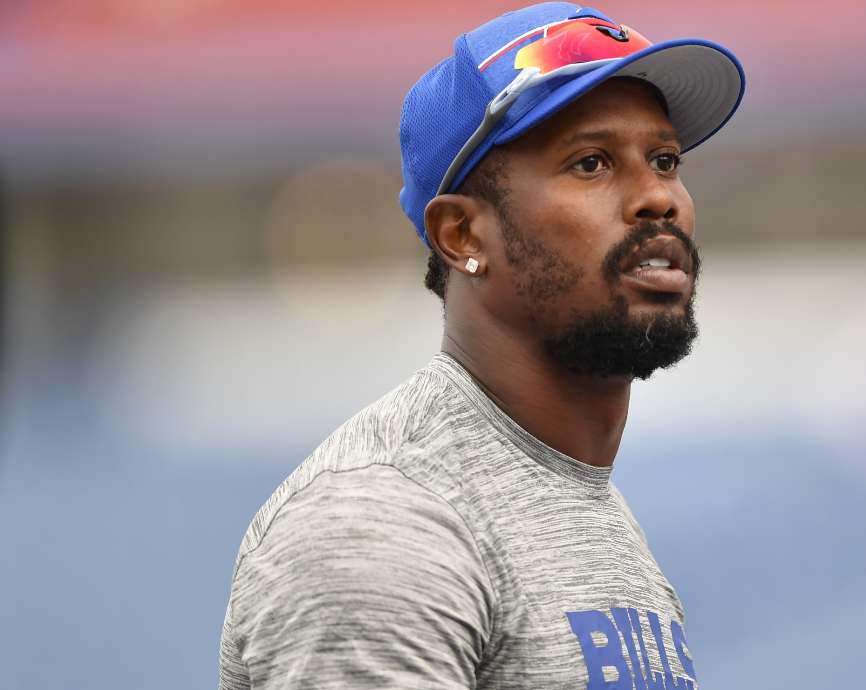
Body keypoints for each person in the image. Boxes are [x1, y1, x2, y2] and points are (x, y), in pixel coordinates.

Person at [217, 4, 744, 689]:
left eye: (665, 160)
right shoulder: (385, 524)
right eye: (591, 163)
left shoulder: (582, 508)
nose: (657, 198)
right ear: (463, 236)